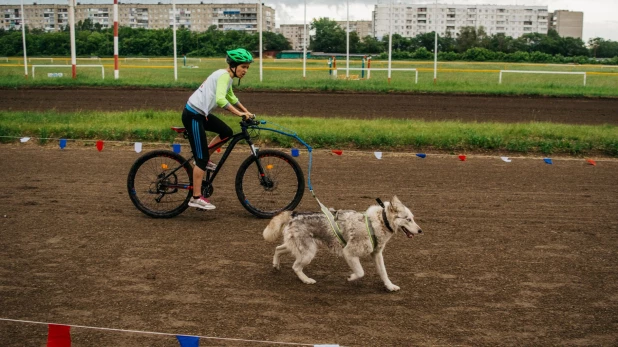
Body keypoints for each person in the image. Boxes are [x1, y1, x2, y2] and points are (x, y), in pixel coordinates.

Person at [183, 48, 255, 210]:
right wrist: (240, 114)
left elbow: (231, 98)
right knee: (200, 160)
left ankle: (203, 158)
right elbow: (221, 100)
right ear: (234, 65)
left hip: (202, 114)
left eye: (247, 68)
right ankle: (195, 198)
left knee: (226, 132)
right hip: (193, 115)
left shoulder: (227, 77)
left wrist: (246, 112)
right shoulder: (224, 76)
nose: (245, 70)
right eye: (243, 67)